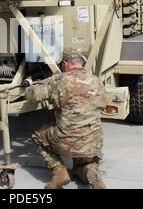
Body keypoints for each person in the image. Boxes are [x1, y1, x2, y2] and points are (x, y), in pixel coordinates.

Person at [25, 48, 107, 189]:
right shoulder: (97, 81)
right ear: (81, 62)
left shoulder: (60, 80)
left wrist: (31, 86)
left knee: (38, 136)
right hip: (93, 140)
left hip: (66, 139)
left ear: (65, 63)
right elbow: (103, 104)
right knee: (84, 152)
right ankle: (90, 171)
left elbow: (34, 95)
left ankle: (59, 171)